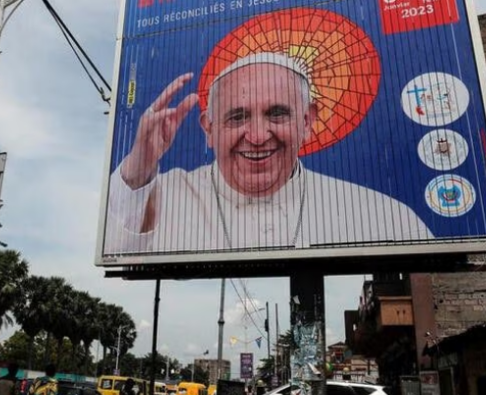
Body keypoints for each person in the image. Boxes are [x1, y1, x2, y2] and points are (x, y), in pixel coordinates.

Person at [105, 52, 433, 253]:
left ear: (307, 121)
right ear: (208, 129)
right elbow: (113, 251)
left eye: (277, 113)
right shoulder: (167, 194)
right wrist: (137, 171)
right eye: (237, 116)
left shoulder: (382, 215)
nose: (259, 136)